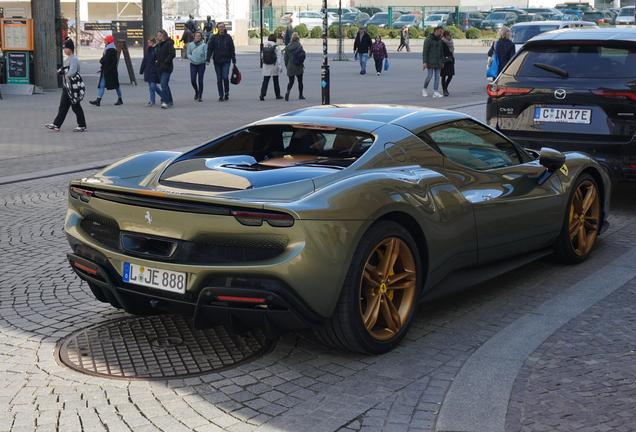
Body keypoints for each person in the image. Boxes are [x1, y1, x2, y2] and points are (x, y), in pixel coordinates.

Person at [45, 39, 87, 132]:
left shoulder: (74, 59)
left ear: (71, 49)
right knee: (63, 106)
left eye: (67, 48)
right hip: (67, 86)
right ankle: (56, 124)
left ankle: (82, 125)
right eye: (64, 48)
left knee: (75, 106)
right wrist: (62, 72)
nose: (65, 50)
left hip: (73, 87)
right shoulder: (68, 59)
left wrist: (62, 72)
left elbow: (72, 72)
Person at [206, 22, 236, 102]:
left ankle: (226, 92)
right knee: (219, 79)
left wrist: (234, 60)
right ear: (217, 28)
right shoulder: (214, 37)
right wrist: (208, 59)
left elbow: (232, 49)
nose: (221, 28)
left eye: (222, 27)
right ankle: (221, 95)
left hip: (226, 60)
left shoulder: (228, 37)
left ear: (224, 27)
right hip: (217, 61)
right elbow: (210, 49)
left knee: (225, 77)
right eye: (220, 27)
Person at [89, 35, 122, 106]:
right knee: (102, 85)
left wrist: (108, 69)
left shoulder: (112, 50)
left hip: (111, 72)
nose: (104, 42)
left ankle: (120, 98)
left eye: (105, 40)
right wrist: (101, 68)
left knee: (116, 85)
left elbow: (113, 61)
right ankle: (98, 99)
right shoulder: (107, 49)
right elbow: (105, 61)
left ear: (108, 41)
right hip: (106, 71)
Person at [259, 34, 284, 101]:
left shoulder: (265, 45)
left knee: (265, 80)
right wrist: (280, 67)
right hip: (274, 65)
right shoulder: (276, 47)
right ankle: (277, 95)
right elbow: (279, 57)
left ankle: (262, 94)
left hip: (266, 65)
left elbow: (262, 56)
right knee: (275, 81)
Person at [422, 26, 444, 98]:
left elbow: (441, 52)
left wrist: (442, 61)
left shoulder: (440, 40)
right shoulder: (429, 40)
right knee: (429, 76)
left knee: (437, 77)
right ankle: (424, 89)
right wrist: (425, 62)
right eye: (440, 31)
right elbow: (425, 51)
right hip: (430, 61)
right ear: (436, 31)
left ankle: (435, 92)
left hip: (438, 61)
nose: (441, 33)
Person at [156, 29, 176, 109]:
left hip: (166, 67)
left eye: (158, 35)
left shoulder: (168, 44)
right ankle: (170, 101)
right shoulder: (161, 44)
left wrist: (165, 62)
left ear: (161, 36)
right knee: (164, 84)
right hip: (160, 67)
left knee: (164, 84)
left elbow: (172, 54)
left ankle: (165, 101)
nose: (157, 37)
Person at [139, 36, 162, 106]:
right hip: (148, 69)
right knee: (150, 86)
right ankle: (152, 100)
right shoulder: (148, 49)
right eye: (148, 42)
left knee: (153, 85)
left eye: (150, 42)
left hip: (154, 70)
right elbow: (145, 59)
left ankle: (163, 95)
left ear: (154, 42)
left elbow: (159, 59)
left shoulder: (157, 49)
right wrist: (142, 69)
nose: (149, 44)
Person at [283, 32, 304, 100]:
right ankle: (300, 95)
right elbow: (302, 56)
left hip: (290, 65)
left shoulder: (288, 47)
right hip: (298, 65)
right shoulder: (299, 46)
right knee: (300, 81)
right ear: (297, 39)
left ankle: (288, 92)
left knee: (291, 81)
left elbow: (285, 58)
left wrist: (287, 66)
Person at [187, 31, 207, 102]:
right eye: (196, 36)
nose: (198, 37)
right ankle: (196, 90)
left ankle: (200, 95)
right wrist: (191, 57)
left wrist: (204, 59)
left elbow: (206, 54)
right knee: (193, 79)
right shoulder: (191, 45)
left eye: (199, 36)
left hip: (201, 64)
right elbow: (188, 53)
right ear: (194, 37)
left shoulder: (204, 45)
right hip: (193, 64)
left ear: (201, 37)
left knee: (200, 80)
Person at [440, 30, 455, 97]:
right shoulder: (442, 42)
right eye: (450, 35)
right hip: (444, 61)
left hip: (450, 60)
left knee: (450, 75)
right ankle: (444, 90)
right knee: (443, 76)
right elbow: (441, 53)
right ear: (446, 36)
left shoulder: (451, 42)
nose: (451, 37)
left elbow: (452, 51)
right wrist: (442, 61)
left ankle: (445, 87)